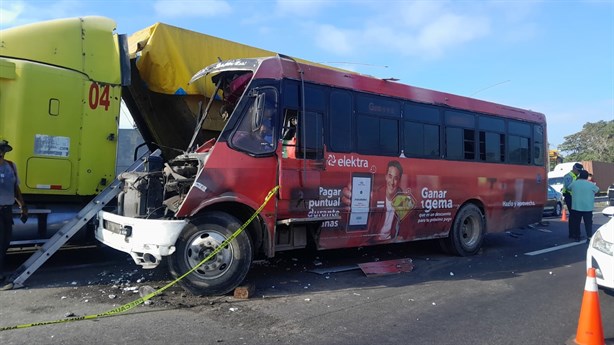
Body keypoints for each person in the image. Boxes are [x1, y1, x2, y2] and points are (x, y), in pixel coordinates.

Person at [0, 140, 27, 290]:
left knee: (5, 243)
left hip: (6, 211)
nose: (1, 152)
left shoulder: (11, 166)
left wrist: (23, 206)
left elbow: (15, 188)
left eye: (3, 150)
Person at [567, 170, 599, 242]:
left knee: (577, 223)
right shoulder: (590, 184)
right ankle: (589, 237)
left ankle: (577, 236)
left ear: (579, 176)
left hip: (576, 207)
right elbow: (597, 190)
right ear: (587, 177)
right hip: (587, 207)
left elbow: (568, 188)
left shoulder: (574, 183)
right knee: (588, 223)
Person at [562, 163, 583, 238]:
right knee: (574, 215)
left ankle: (573, 233)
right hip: (569, 196)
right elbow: (568, 187)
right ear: (574, 168)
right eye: (578, 170)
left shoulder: (577, 176)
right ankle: (574, 233)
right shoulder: (568, 176)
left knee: (573, 216)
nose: (579, 172)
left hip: (574, 197)